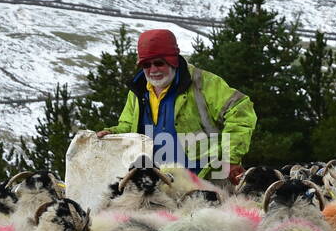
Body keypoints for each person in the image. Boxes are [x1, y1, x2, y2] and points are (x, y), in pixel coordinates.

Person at [96, 28, 255, 184]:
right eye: (146, 65)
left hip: (206, 181)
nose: (153, 70)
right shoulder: (138, 91)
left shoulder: (203, 84)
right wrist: (112, 133)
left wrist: (230, 157)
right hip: (159, 185)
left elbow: (240, 110)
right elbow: (129, 126)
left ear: (172, 60)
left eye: (159, 63)